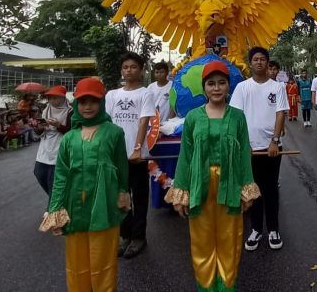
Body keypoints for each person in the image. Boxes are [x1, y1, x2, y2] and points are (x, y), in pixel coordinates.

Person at [165, 61, 260, 291]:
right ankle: (206, 287)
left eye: (221, 83)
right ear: (204, 87)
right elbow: (186, 156)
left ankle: (227, 286)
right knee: (202, 240)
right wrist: (181, 192)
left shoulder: (238, 117)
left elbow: (244, 154)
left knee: (230, 239)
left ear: (228, 86)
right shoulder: (193, 118)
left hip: (231, 183)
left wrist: (247, 189)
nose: (216, 88)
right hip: (200, 184)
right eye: (211, 83)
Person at [39, 77, 130, 292]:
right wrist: (55, 208)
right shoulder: (69, 138)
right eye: (82, 101)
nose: (87, 106)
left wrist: (123, 193)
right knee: (76, 264)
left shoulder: (114, 132)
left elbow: (122, 168)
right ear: (77, 105)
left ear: (101, 103)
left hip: (104, 206)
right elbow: (61, 176)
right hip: (74, 208)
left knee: (103, 263)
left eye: (93, 101)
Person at [229, 46, 288, 251]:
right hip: (249, 150)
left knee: (270, 189)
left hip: (272, 149)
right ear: (250, 63)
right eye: (255, 59)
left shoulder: (278, 87)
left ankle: (273, 229)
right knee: (253, 190)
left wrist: (274, 140)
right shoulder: (242, 88)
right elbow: (236, 118)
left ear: (267, 63)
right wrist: (242, 144)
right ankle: (255, 230)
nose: (259, 62)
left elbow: (280, 114)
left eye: (263, 59)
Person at [104, 52, 154, 259]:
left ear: (141, 70)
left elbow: (143, 121)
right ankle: (126, 235)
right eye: (125, 67)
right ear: (121, 70)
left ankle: (139, 237)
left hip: (137, 157)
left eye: (134, 67)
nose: (129, 70)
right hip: (116, 156)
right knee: (120, 197)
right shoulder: (112, 95)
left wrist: (137, 148)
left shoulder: (146, 93)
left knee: (139, 197)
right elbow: (107, 122)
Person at [34, 85, 72, 206]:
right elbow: (39, 131)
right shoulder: (46, 110)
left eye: (55, 98)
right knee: (39, 173)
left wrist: (58, 125)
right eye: (50, 98)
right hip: (45, 148)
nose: (52, 101)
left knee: (54, 182)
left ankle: (53, 211)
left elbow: (72, 131)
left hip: (60, 147)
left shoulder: (70, 112)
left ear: (62, 97)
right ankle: (59, 201)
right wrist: (38, 128)